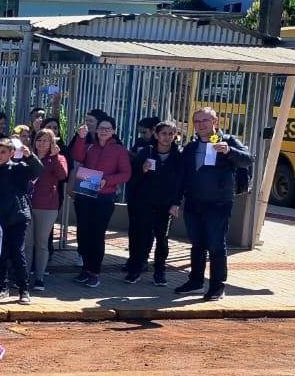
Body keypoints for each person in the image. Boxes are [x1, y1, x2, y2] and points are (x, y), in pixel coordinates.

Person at [172, 107, 252, 301]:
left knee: (216, 245)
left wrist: (229, 151)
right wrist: (176, 201)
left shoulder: (228, 141)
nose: (200, 125)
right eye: (197, 121)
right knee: (197, 244)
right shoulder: (190, 147)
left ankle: (217, 286)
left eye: (205, 121)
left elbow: (248, 160)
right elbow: (181, 177)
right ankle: (196, 281)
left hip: (218, 203)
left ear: (215, 122)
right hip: (193, 202)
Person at [70, 117, 131, 287]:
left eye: (108, 128)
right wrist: (81, 138)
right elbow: (77, 155)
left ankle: (94, 272)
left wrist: (107, 180)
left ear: (113, 131)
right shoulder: (91, 146)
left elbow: (126, 174)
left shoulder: (119, 150)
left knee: (97, 235)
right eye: (101, 128)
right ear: (96, 130)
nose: (104, 131)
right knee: (83, 232)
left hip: (104, 195)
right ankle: (85, 270)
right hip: (85, 191)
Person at [0, 137, 44, 304]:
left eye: (3, 152)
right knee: (0, 253)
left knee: (17, 252)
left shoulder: (19, 168)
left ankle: (24, 289)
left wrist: (30, 155)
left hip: (17, 216)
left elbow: (37, 170)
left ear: (11, 153)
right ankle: (3, 287)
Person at [125, 121, 184, 286]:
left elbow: (180, 182)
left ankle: (160, 271)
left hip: (166, 205)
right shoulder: (146, 152)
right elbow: (132, 178)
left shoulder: (178, 156)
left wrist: (176, 203)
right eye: (164, 133)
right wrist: (142, 170)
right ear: (156, 135)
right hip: (144, 203)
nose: (167, 137)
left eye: (171, 134)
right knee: (141, 237)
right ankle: (136, 269)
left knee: (162, 239)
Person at [25, 128, 69, 291]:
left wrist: (56, 156)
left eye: (46, 140)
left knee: (41, 243)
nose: (41, 143)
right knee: (27, 243)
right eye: (39, 139)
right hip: (28, 205)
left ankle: (39, 277)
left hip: (47, 206)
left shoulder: (58, 158)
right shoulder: (28, 156)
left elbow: (63, 176)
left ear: (52, 143)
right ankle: (25, 275)